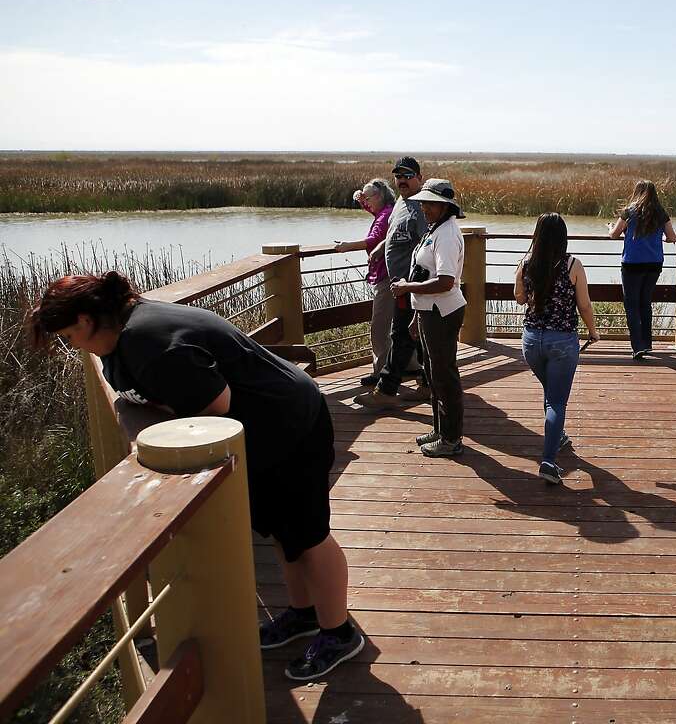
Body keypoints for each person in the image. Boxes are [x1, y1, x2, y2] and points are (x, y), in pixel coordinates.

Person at [28, 272, 363, 682]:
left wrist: (146, 436)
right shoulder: (122, 329)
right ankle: (304, 614)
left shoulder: (151, 343)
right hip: (259, 432)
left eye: (66, 335)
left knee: (309, 536)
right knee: (281, 531)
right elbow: (138, 390)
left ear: (85, 320)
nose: (72, 345)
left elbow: (214, 407)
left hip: (290, 424)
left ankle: (339, 632)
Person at [514, 213, 601, 485]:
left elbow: (519, 299)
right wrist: (593, 331)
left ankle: (557, 434)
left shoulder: (525, 264)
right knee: (556, 401)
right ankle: (549, 461)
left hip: (531, 341)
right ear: (563, 237)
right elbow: (584, 305)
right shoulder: (573, 265)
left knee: (551, 393)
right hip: (562, 340)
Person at [387, 179, 468, 457]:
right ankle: (440, 430)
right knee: (433, 374)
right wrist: (415, 317)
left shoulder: (446, 235)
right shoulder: (437, 229)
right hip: (430, 312)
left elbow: (445, 281)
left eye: (430, 203)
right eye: (423, 202)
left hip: (442, 313)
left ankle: (451, 438)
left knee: (444, 375)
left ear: (446, 207)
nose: (424, 207)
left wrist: (407, 287)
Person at [356, 157, 429, 407]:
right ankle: (427, 384)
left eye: (407, 176)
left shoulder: (422, 207)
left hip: (411, 285)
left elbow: (426, 247)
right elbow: (395, 234)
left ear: (419, 177)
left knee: (400, 335)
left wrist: (414, 285)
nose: (402, 181)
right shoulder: (400, 202)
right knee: (415, 337)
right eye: (398, 176)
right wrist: (380, 247)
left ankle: (385, 390)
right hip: (399, 284)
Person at [334, 179, 395, 387]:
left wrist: (347, 246)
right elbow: (374, 213)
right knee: (395, 326)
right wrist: (362, 200)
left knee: (379, 329)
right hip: (390, 275)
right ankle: (403, 366)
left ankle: (382, 374)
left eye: (369, 197)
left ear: (380, 196)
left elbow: (374, 239)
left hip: (386, 277)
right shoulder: (387, 211)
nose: (366, 201)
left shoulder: (385, 216)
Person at [608, 180, 676, 359]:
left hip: (632, 263)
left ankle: (637, 346)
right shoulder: (660, 213)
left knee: (631, 304)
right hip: (654, 263)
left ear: (636, 192)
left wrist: (611, 228)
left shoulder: (629, 211)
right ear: (654, 194)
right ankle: (646, 344)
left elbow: (614, 234)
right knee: (645, 302)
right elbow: (672, 237)